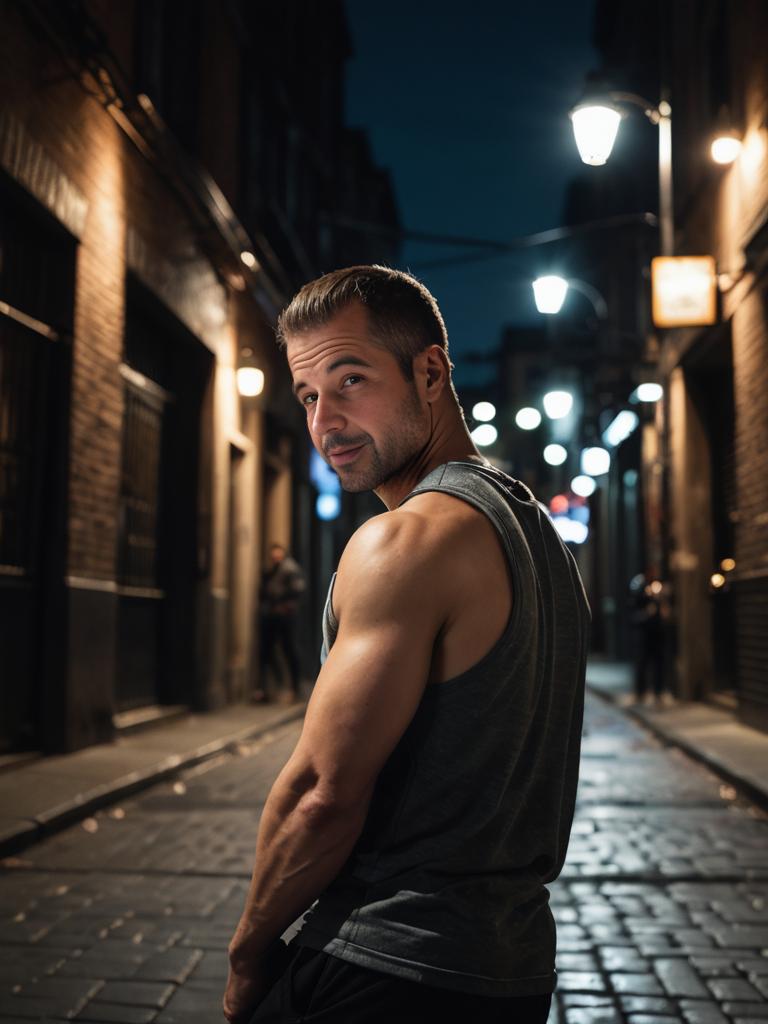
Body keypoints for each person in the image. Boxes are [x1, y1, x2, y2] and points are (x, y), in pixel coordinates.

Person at [224, 266, 590, 1024]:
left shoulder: (405, 541)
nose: (326, 422)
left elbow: (323, 792)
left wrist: (248, 954)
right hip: (511, 973)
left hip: (384, 964)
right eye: (309, 396)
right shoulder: (543, 541)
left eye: (350, 379)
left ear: (430, 371)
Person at [258, 543, 306, 702]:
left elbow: (296, 590)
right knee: (267, 651)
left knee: (289, 650)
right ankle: (271, 687)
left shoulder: (290, 569)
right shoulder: (272, 571)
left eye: (278, 555)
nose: (275, 558)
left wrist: (283, 603)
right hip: (272, 615)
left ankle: (295, 688)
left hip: (285, 616)